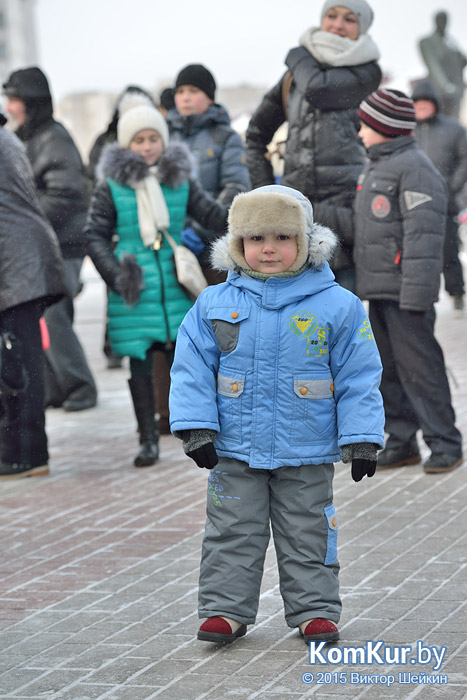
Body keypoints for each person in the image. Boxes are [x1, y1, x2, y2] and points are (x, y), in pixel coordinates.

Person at [169, 185, 385, 644]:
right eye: (256, 238)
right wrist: (196, 426)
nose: (269, 249)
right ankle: (225, 611)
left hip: (305, 447)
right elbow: (191, 368)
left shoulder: (337, 305)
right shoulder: (213, 304)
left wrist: (362, 435)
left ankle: (315, 611)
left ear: (306, 242)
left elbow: (359, 374)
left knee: (308, 531)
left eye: (283, 238)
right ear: (238, 244)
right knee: (231, 530)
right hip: (234, 447)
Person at [318, 88, 463, 474]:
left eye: (366, 126)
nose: (361, 133)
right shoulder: (377, 166)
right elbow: (366, 226)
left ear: (384, 127)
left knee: (421, 370)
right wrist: (319, 211)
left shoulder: (415, 168)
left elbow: (424, 236)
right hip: (380, 288)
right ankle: (401, 442)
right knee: (389, 370)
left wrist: (417, 293)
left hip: (405, 292)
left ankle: (445, 442)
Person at [85, 104, 228, 468]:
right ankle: (147, 438)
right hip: (136, 286)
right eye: (139, 140)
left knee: (192, 358)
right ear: (126, 145)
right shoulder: (111, 187)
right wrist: (117, 276)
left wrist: (245, 216)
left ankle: (198, 429)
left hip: (174, 278)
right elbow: (95, 235)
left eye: (153, 139)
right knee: (140, 362)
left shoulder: (179, 179)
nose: (147, 147)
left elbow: (212, 214)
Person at [245, 0, 381, 291]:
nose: (338, 25)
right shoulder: (294, 75)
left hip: (347, 217)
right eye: (331, 15)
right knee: (291, 321)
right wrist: (267, 192)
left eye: (349, 19)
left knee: (340, 321)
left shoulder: (367, 72)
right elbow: (256, 134)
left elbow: (321, 90)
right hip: (295, 219)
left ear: (362, 28)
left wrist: (297, 55)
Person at [2, 66, 97, 412]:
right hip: (46, 242)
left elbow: (69, 193)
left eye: (14, 99)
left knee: (55, 315)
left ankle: (81, 386)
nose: (9, 107)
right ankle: (56, 387)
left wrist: (23, 215)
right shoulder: (27, 136)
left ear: (31, 101)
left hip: (65, 242)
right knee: (42, 317)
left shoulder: (52, 137)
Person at [0, 122, 66, 480]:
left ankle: (25, 454)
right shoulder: (5, 136)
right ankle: (21, 451)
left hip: (17, 262)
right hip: (21, 259)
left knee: (16, 361)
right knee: (17, 358)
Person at [87, 85, 157, 370]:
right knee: (120, 293)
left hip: (152, 244)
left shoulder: (165, 166)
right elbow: (95, 184)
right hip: (120, 234)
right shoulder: (106, 144)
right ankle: (113, 346)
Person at [167, 63, 251, 284]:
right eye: (180, 92)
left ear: (210, 98)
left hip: (212, 250)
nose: (185, 97)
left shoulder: (226, 137)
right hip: (170, 248)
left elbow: (236, 188)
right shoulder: (163, 137)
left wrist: (199, 230)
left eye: (193, 91)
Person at [411, 79, 467, 315]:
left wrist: (452, 186)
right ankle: (421, 296)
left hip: (446, 202)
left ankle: (456, 294)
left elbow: (465, 160)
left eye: (425, 105)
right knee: (417, 252)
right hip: (414, 202)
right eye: (417, 105)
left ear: (435, 104)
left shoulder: (453, 129)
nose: (421, 110)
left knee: (448, 250)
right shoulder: (407, 130)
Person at [419, 11, 467, 119]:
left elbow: (463, 60)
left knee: (455, 123)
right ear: (436, 21)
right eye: (441, 20)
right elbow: (433, 65)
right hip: (441, 90)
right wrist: (445, 85)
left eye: (445, 20)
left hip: (456, 88)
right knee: (440, 123)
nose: (443, 23)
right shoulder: (428, 41)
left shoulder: (450, 41)